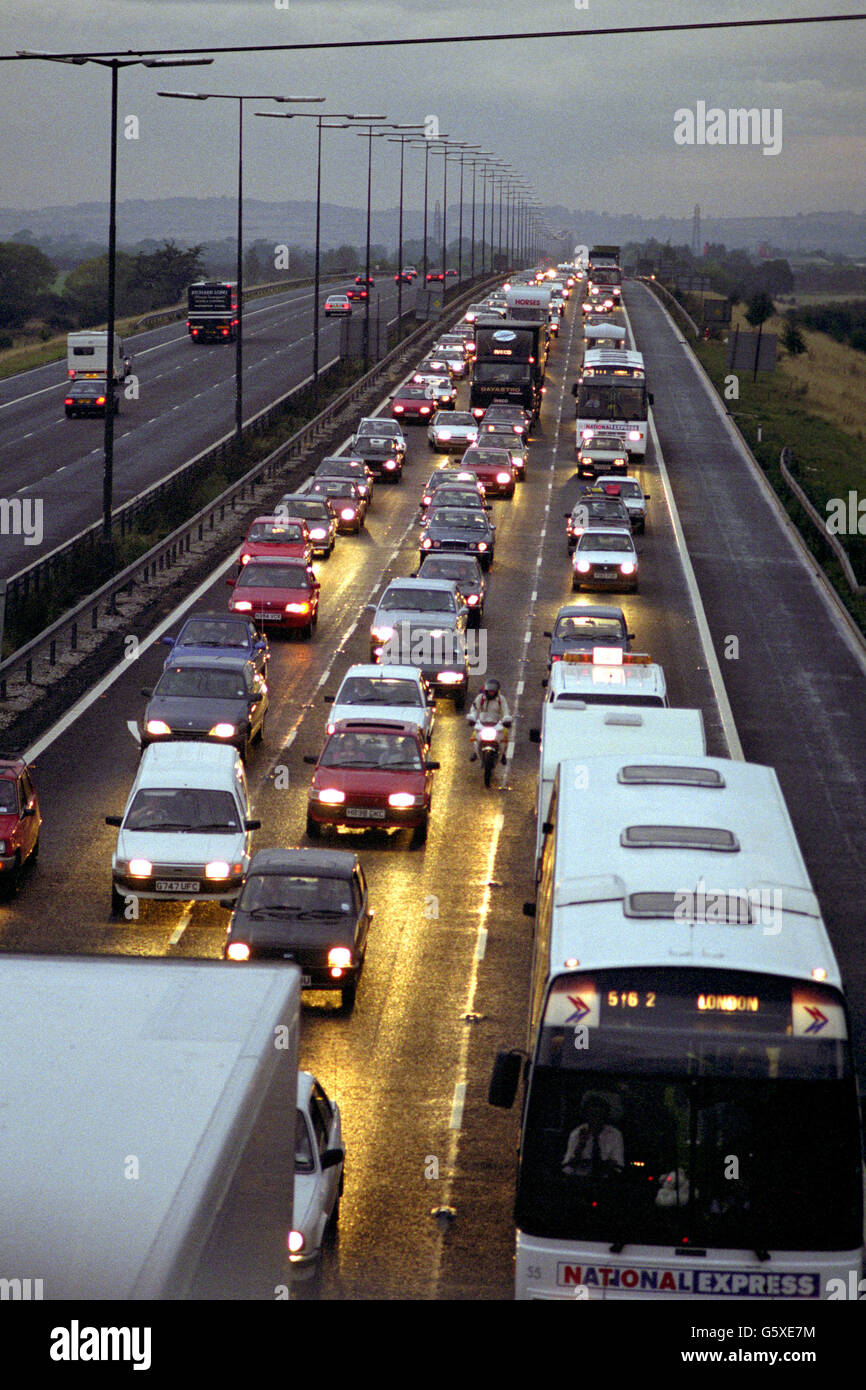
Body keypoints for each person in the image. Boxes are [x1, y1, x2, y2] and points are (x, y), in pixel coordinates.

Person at [562, 1094, 624, 1178]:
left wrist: (609, 1165)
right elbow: (567, 1168)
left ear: (605, 1116)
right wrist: (580, 1145)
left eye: (599, 1115)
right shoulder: (577, 1133)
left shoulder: (614, 1134)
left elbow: (619, 1167)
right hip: (580, 1180)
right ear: (586, 1116)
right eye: (592, 1115)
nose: (596, 1119)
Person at [466, 678, 511, 763]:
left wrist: (506, 719)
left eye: (493, 692)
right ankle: (476, 751)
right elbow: (475, 709)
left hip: (497, 722)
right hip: (483, 722)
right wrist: (472, 717)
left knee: (505, 734)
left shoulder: (501, 699)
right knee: (475, 734)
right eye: (489, 691)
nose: (491, 693)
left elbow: (506, 710)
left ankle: (503, 754)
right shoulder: (480, 698)